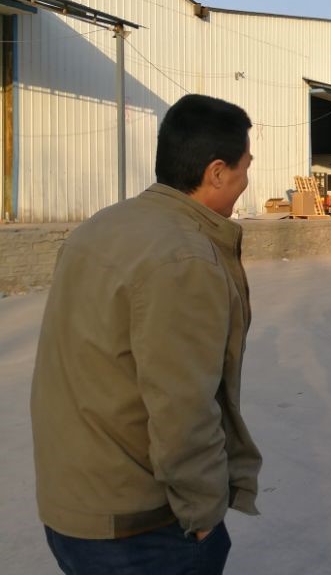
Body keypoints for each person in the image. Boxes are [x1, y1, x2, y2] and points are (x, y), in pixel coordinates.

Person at [31, 94, 262, 575]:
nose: (246, 179)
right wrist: (203, 515)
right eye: (245, 166)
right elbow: (183, 408)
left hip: (72, 505)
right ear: (217, 172)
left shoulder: (103, 224)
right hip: (137, 526)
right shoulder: (183, 257)